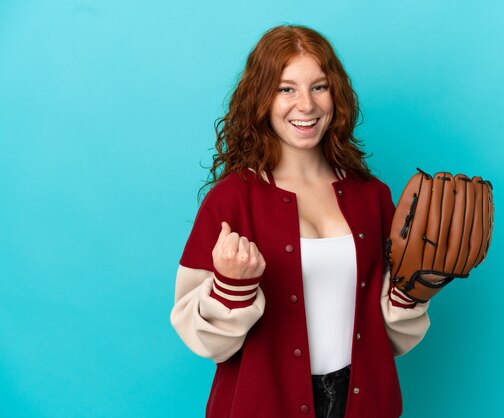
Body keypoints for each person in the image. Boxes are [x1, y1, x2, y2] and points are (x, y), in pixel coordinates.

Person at [170, 25, 441, 418]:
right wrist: (231, 287)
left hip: (362, 401)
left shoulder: (372, 195)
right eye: (286, 89)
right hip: (263, 401)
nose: (306, 105)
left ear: (336, 94)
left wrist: (414, 290)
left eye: (319, 86)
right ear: (261, 97)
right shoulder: (230, 200)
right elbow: (207, 343)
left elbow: (391, 335)